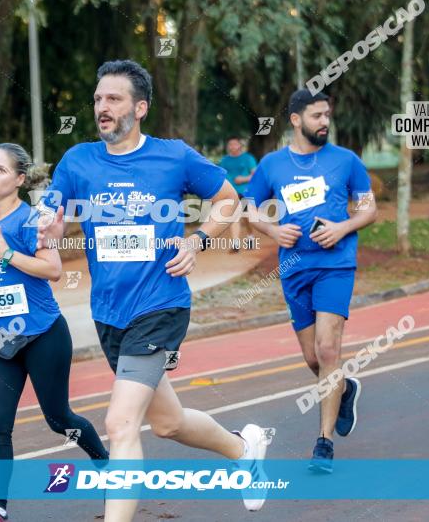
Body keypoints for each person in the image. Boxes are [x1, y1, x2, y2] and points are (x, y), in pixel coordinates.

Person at [37, 59, 271, 521]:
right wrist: (46, 225)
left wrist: (197, 239)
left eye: (114, 99)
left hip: (160, 304)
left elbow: (227, 200)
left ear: (140, 107)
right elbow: (52, 213)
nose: (103, 107)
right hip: (109, 312)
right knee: (167, 422)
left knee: (121, 423)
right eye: (99, 99)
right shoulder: (77, 161)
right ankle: (245, 449)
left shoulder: (174, 157)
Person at [0, 144, 109, 522]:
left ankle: (106, 465)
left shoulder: (31, 220)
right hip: (3, 339)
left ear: (20, 180)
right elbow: (3, 270)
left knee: (59, 419)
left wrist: (5, 253)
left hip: (43, 334)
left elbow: (52, 270)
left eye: (0, 170)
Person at [245, 90, 377, 473]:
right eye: (317, 115)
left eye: (327, 115)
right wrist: (273, 231)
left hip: (336, 264)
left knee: (328, 350)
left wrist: (344, 227)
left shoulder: (346, 161)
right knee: (313, 358)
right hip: (294, 267)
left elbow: (369, 209)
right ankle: (344, 387)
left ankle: (323, 443)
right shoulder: (271, 165)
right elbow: (249, 208)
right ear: (296, 120)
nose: (325, 121)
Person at [218, 137, 257, 252]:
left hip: (246, 191)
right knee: (233, 216)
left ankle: (250, 236)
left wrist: (244, 179)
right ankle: (235, 243)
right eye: (230, 144)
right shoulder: (224, 160)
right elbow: (220, 175)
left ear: (240, 146)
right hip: (231, 193)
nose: (232, 146)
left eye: (235, 144)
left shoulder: (248, 158)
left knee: (247, 217)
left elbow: (255, 175)